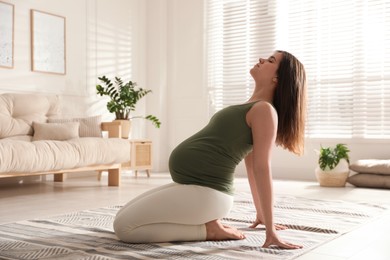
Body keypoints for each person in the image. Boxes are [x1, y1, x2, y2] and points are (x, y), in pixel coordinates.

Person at [113, 50, 306, 249]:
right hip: (196, 187)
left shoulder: (264, 110)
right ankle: (208, 223)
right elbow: (250, 166)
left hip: (209, 194)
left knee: (124, 228)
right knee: (121, 216)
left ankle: (207, 230)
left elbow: (261, 168)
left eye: (270, 60)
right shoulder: (252, 106)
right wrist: (261, 215)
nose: (261, 59)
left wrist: (270, 230)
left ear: (277, 78)